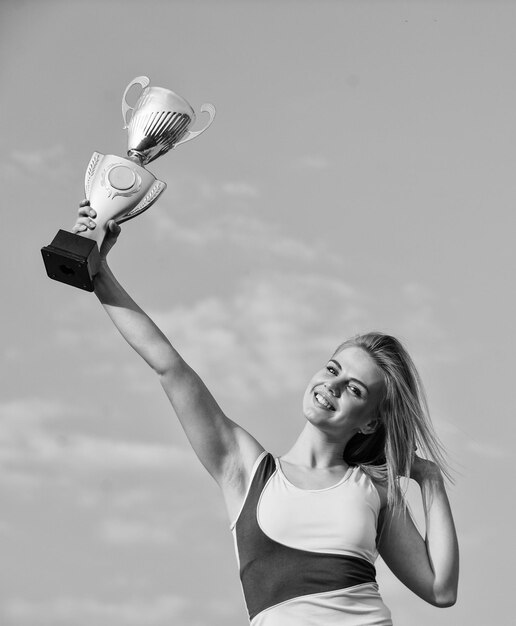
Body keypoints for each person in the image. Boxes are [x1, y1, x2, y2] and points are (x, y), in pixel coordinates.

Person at [73, 200, 459, 625]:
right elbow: (169, 366)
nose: (330, 385)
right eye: (332, 369)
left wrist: (430, 479)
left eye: (352, 388)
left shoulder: (374, 490)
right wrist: (99, 273)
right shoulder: (246, 470)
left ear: (369, 420)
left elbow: (441, 588)